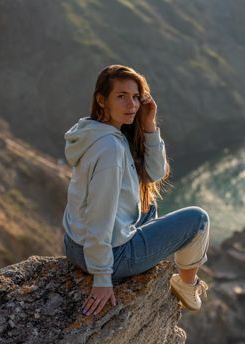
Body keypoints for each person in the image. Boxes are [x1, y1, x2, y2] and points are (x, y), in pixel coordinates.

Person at [62, 64, 210, 317]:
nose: (131, 104)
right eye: (121, 97)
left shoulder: (93, 132)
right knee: (198, 219)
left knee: (147, 206)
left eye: (135, 97)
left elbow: (154, 173)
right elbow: (100, 214)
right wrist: (101, 278)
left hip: (74, 244)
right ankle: (186, 284)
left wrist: (150, 125)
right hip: (107, 256)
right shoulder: (110, 149)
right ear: (101, 99)